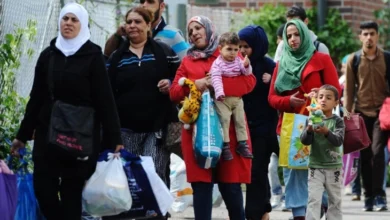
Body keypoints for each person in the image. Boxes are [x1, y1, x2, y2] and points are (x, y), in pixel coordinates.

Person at [10, 3, 123, 220]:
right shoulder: (48, 55)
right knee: (44, 191)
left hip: (80, 135)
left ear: (82, 24)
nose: (68, 23)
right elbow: (36, 98)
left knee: (72, 194)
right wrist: (22, 136)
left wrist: (114, 137)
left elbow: (105, 100)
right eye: (65, 19)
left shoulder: (93, 56)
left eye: (74, 20)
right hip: (48, 135)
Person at [170, 15, 256, 220]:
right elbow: (174, 92)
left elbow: (248, 83)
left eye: (198, 28)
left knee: (231, 187)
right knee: (201, 187)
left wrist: (215, 86)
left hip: (229, 131)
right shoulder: (187, 61)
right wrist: (194, 84)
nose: (194, 33)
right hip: (199, 132)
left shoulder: (227, 52)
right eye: (190, 31)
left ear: (209, 29)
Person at [105, 7, 179, 212]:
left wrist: (170, 82)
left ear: (148, 26)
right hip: (126, 129)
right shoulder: (117, 57)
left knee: (153, 171)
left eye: (138, 22)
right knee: (130, 176)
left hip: (156, 126)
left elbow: (182, 78)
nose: (133, 26)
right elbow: (106, 88)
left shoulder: (163, 52)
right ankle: (134, 214)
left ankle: (158, 213)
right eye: (129, 22)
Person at [268, 19, 341, 220]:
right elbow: (272, 98)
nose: (293, 39)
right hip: (291, 126)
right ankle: (299, 214)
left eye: (297, 34)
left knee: (321, 171)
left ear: (305, 35)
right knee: (294, 175)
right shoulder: (281, 64)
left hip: (320, 124)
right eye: (289, 35)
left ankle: (323, 207)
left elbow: (337, 91)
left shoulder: (322, 60)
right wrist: (287, 101)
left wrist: (322, 95)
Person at [344, 21, 388, 211]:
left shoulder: (387, 58)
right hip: (361, 114)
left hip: (381, 113)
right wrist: (346, 114)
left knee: (378, 154)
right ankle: (368, 196)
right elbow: (349, 90)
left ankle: (379, 195)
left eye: (372, 33)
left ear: (378, 36)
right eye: (365, 34)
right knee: (365, 156)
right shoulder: (353, 60)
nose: (369, 37)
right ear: (360, 37)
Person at [238, 25, 279, 220]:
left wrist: (272, 81)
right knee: (255, 172)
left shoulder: (269, 66)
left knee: (256, 171)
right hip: (243, 127)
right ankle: (263, 210)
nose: (242, 50)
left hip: (264, 129)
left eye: (247, 46)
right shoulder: (237, 65)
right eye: (240, 46)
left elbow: (282, 91)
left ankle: (253, 214)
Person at [300, 84, 345, 220]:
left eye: (328, 97)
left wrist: (326, 132)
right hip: (315, 166)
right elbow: (305, 141)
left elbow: (338, 141)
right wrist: (308, 130)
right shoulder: (312, 117)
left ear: (336, 103)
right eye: (320, 97)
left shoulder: (338, 121)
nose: (323, 100)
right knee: (314, 199)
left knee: (335, 200)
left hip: (333, 167)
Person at [210, 32, 253, 161]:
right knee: (224, 120)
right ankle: (225, 145)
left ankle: (242, 144)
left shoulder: (238, 61)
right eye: (229, 49)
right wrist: (219, 92)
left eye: (236, 49)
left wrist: (246, 65)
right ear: (220, 49)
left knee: (240, 120)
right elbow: (216, 78)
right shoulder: (217, 64)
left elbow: (246, 73)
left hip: (237, 99)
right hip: (222, 99)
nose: (233, 53)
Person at [104, 0, 189, 60]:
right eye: (142, 1)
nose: (144, 5)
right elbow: (107, 55)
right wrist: (117, 35)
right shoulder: (130, 32)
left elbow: (186, 67)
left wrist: (169, 82)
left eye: (150, 1)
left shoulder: (173, 35)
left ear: (162, 6)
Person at [268, 22, 287, 210]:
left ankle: (288, 196)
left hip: (288, 122)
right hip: (275, 122)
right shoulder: (273, 63)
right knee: (272, 164)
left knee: (289, 163)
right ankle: (276, 193)